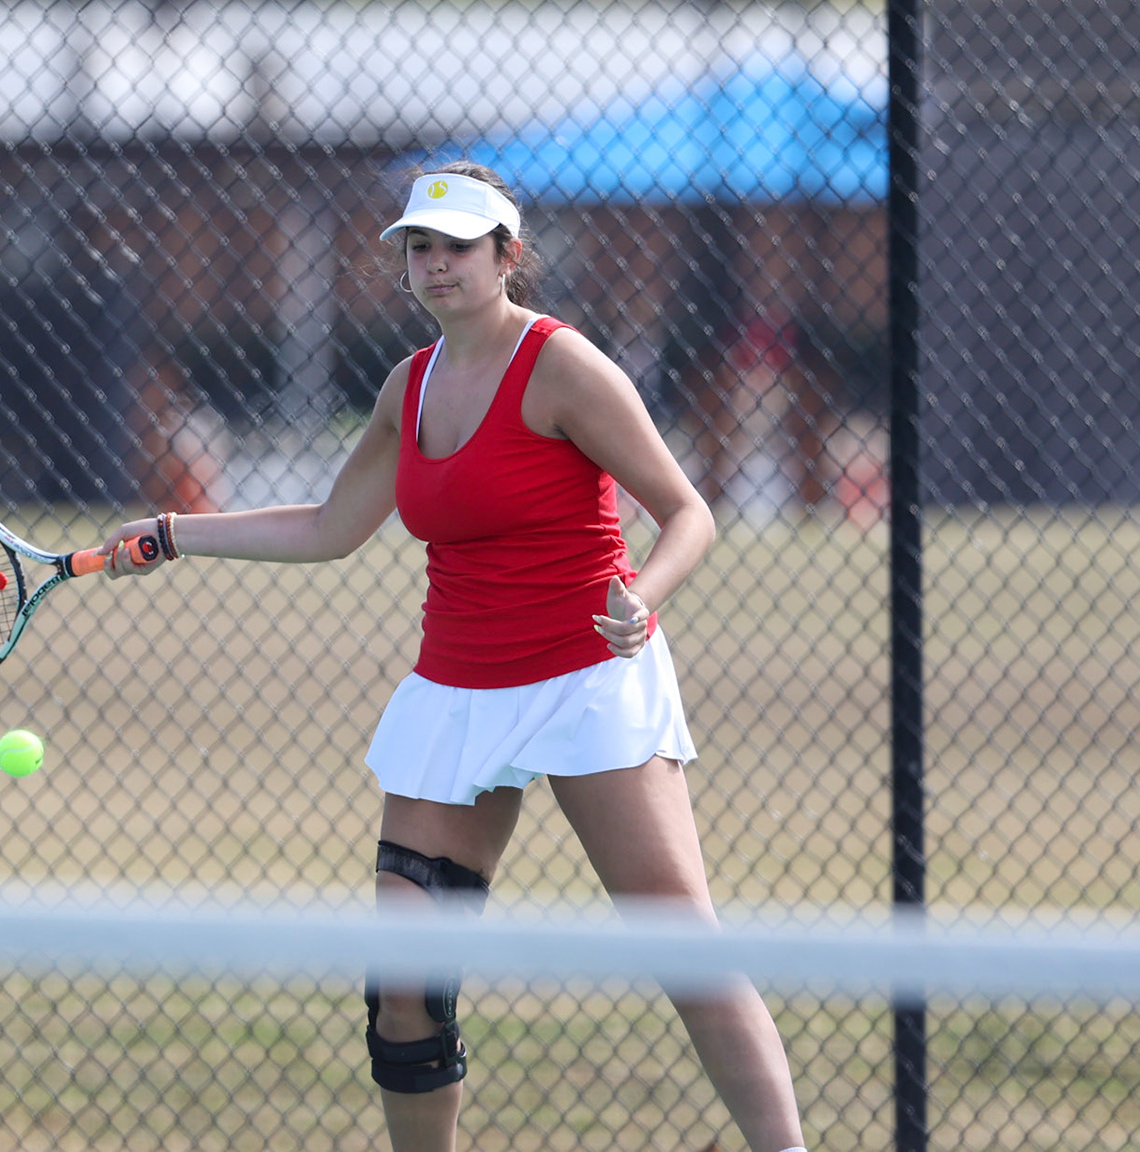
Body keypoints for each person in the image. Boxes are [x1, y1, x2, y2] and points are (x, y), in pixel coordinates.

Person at [100, 161, 807, 1152]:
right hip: (458, 691)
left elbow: (688, 510)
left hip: (588, 677)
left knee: (682, 946)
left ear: (508, 256)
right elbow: (331, 525)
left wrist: (640, 601)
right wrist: (176, 531)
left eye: (457, 247)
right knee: (405, 986)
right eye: (418, 248)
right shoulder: (409, 384)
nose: (434, 265)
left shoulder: (565, 366)